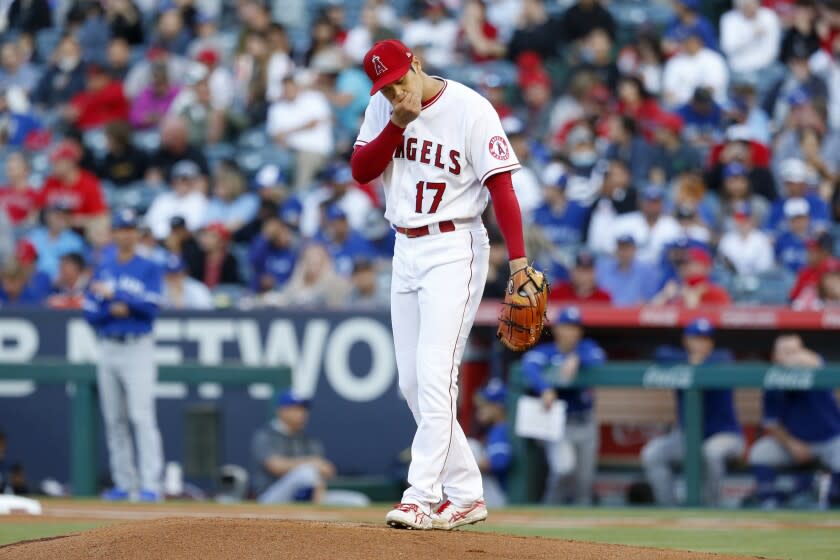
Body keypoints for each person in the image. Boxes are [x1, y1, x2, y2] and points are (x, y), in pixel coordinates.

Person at [350, 38, 535, 530]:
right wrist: (395, 123)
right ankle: (468, 493)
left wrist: (518, 262)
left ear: (416, 63)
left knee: (435, 376)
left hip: (455, 247)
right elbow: (361, 171)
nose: (393, 93)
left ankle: (421, 496)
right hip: (404, 247)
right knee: (411, 384)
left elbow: (502, 188)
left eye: (397, 82)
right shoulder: (382, 109)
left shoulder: (471, 108)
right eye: (383, 88)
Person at [83, 209, 164, 502]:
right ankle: (123, 482)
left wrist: (119, 299)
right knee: (114, 419)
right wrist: (112, 307)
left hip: (137, 346)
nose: (126, 234)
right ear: (114, 233)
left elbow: (151, 310)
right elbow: (90, 313)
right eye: (121, 228)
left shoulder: (149, 267)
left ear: (137, 234)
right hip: (108, 346)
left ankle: (151, 484)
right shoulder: (103, 267)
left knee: (141, 417)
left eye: (131, 229)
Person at [642, 319, 744, 506]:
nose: (700, 343)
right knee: (652, 454)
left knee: (710, 452)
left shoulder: (721, 359)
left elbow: (723, 359)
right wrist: (688, 362)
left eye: (705, 339)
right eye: (695, 339)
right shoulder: (678, 361)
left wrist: (695, 365)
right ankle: (669, 508)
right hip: (687, 437)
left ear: (711, 342)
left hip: (724, 435)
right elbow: (660, 354)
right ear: (686, 341)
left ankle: (712, 507)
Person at [522, 306, 606, 505]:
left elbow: (598, 357)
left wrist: (576, 358)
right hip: (559, 423)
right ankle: (550, 508)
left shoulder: (587, 348)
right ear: (558, 329)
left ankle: (582, 527)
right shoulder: (546, 352)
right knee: (563, 468)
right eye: (567, 327)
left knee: (584, 482)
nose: (571, 332)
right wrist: (544, 388)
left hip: (585, 422)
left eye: (575, 327)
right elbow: (529, 364)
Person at [749, 335, 840, 508]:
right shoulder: (773, 381)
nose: (791, 357)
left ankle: (833, 499)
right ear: (775, 357)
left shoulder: (816, 367)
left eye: (794, 352)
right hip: (794, 442)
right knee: (760, 452)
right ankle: (770, 501)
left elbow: (816, 361)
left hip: (830, 439)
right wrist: (792, 444)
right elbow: (771, 423)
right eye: (784, 352)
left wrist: (798, 356)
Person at [251, 390, 337, 504]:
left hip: (307, 497)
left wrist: (317, 466)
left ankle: (316, 513)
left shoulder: (309, 440)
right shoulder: (265, 435)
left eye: (303, 409)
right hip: (270, 497)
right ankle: (316, 513)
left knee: (356, 501)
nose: (301, 413)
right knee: (306, 472)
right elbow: (275, 466)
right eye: (295, 409)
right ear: (281, 411)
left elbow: (328, 470)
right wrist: (311, 462)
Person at [267, 75, 334, 191]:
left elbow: (315, 123)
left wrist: (287, 132)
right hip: (287, 150)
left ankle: (298, 197)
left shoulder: (314, 98)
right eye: (285, 88)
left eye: (291, 86)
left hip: (314, 150)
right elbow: (275, 135)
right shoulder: (277, 107)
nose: (288, 90)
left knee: (303, 162)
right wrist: (285, 137)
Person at [38, 141, 108, 231]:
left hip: (80, 233)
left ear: (70, 162)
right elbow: (39, 208)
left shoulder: (88, 183)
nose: (53, 166)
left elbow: (101, 217)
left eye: (57, 162)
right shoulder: (50, 181)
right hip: (53, 232)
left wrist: (73, 221)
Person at [467, 379, 512, 508]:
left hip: (499, 495)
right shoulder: (495, 428)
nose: (480, 409)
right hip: (495, 492)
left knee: (471, 447)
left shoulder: (500, 429)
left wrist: (461, 469)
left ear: (498, 407)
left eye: (486, 404)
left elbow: (500, 462)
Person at [720, 0, 781, 78]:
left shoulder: (769, 16)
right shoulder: (729, 19)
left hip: (767, 67)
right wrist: (751, 36)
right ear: (739, 7)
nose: (751, 9)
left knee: (780, 73)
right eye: (746, 6)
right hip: (741, 69)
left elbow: (773, 50)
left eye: (753, 4)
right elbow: (728, 48)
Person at [26, 203, 85, 281]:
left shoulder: (75, 241)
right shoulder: (34, 235)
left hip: (60, 283)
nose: (60, 219)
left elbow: (76, 269)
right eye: (57, 215)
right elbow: (24, 261)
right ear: (48, 216)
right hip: (33, 280)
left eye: (64, 216)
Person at [595, 234, 660, 306]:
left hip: (634, 314)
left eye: (627, 249)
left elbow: (652, 298)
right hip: (606, 313)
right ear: (616, 250)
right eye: (621, 249)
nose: (624, 253)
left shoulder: (647, 271)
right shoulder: (603, 268)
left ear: (634, 250)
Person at [718, 201, 774, 276]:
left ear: (752, 219)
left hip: (758, 282)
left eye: (746, 218)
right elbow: (721, 265)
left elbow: (765, 268)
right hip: (731, 281)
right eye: (739, 218)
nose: (743, 222)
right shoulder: (727, 240)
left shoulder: (762, 240)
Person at [249, 215, 298, 294]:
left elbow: (294, 279)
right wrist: (265, 236)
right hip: (260, 292)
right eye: (277, 234)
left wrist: (276, 284)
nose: (283, 236)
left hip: (283, 294)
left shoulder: (292, 254)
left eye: (285, 232)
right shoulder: (266, 248)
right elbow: (253, 261)